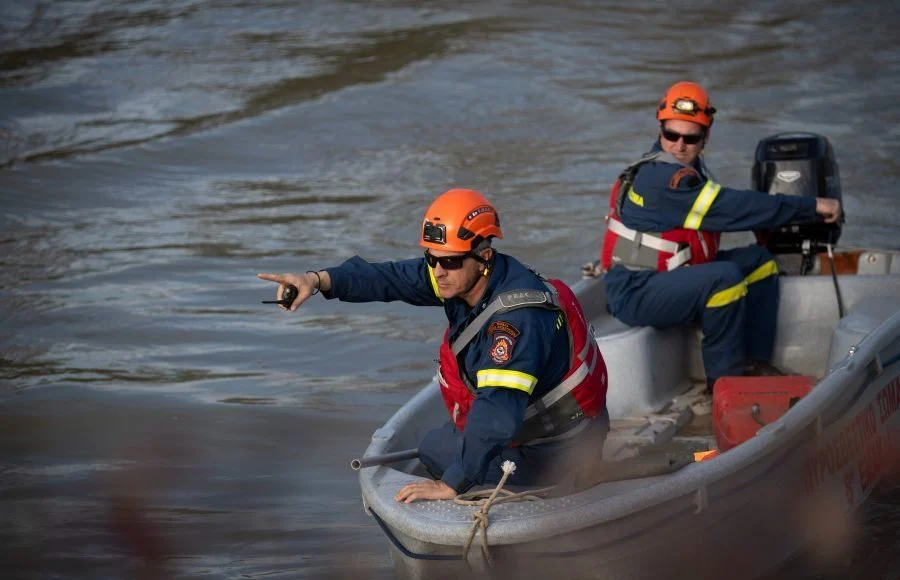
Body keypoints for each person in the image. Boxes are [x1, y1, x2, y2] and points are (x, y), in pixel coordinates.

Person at [259, 188, 609, 503]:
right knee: (446, 440)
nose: (438, 271)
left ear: (484, 256)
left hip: (560, 452)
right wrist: (317, 280)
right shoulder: (468, 277)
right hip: (548, 432)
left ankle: (555, 485)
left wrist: (453, 483)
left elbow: (497, 414)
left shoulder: (516, 322)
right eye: (432, 258)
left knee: (434, 448)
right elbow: (390, 278)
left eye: (449, 261)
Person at [599, 81, 842, 390]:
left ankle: (755, 364)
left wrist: (763, 220)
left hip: (667, 276)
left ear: (706, 137)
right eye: (671, 135)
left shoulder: (684, 166)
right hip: (635, 291)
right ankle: (726, 386)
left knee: (759, 261)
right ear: (660, 130)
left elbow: (731, 208)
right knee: (724, 277)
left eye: (691, 138)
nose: (679, 145)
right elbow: (732, 207)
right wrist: (812, 206)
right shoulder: (663, 178)